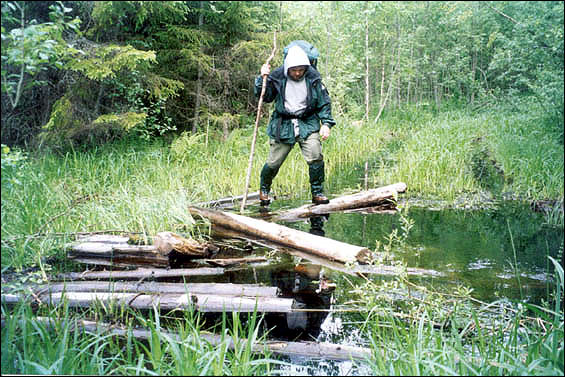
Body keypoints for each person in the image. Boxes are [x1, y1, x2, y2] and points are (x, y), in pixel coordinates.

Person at [254, 41, 336, 206]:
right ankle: (264, 190)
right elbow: (265, 96)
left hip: (307, 123)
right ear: (287, 68)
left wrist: (326, 124)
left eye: (301, 70)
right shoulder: (277, 77)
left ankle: (318, 193)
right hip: (283, 125)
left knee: (315, 155)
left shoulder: (313, 79)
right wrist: (261, 78)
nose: (298, 73)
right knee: (273, 162)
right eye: (294, 70)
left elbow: (324, 103)